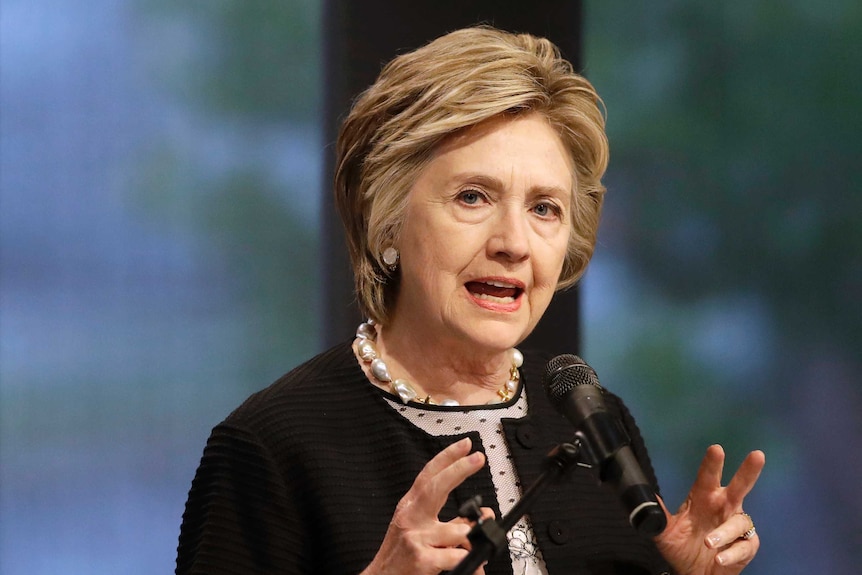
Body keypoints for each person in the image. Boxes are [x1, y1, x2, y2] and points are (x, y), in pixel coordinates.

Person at [175, 26, 765, 575]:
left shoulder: (591, 420)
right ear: (387, 220)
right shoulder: (273, 446)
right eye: (473, 197)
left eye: (544, 208)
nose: (513, 244)